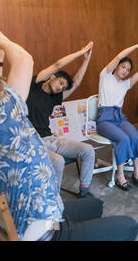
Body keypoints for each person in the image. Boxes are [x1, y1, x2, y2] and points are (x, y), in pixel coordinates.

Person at [0, 24, 138, 241]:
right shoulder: (7, 124)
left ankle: (82, 193)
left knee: (95, 205)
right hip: (46, 231)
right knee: (129, 226)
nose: (9, 92)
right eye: (4, 90)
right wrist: (3, 44)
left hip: (34, 215)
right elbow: (24, 60)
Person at [25, 41, 96, 198]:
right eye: (60, 83)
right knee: (58, 161)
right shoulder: (34, 85)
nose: (60, 88)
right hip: (32, 141)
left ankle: (84, 191)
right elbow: (58, 64)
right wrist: (80, 52)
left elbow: (76, 83)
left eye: (63, 87)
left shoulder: (56, 97)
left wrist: (86, 59)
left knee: (88, 150)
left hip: (50, 138)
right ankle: (53, 199)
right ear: (52, 77)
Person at [96, 38, 138, 191]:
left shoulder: (125, 84)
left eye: (127, 70)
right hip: (104, 119)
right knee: (123, 139)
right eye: (123, 67)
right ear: (117, 66)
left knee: (135, 136)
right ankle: (120, 176)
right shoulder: (105, 76)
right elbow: (119, 56)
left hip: (118, 117)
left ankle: (136, 173)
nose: (125, 71)